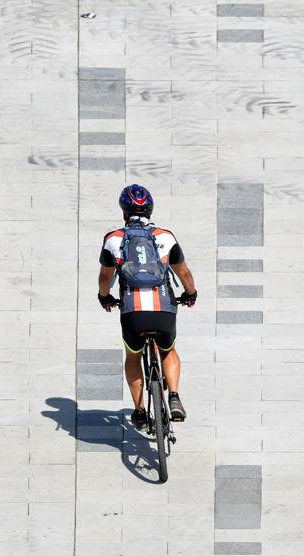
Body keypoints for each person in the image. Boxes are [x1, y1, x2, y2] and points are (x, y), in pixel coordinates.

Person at [97, 184, 198, 431]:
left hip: (132, 312)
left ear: (124, 212)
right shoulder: (165, 236)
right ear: (150, 211)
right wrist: (190, 293)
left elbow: (105, 277)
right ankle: (174, 396)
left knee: (133, 356)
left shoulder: (113, 239)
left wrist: (104, 297)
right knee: (168, 350)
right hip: (163, 308)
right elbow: (184, 272)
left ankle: (140, 411)